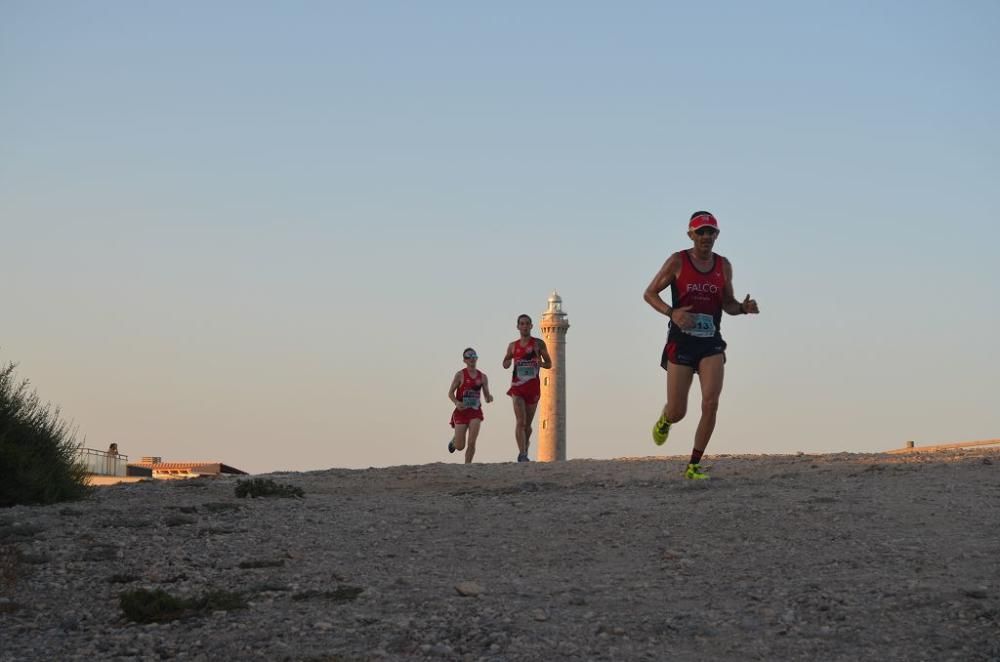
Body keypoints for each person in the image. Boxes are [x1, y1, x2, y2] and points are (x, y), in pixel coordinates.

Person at [643, 211, 759, 479]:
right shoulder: (678, 261)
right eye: (701, 232)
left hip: (711, 343)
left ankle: (693, 465)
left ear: (717, 235)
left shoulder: (723, 266)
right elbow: (649, 293)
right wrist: (672, 313)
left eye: (711, 232)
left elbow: (727, 304)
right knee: (678, 410)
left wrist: (743, 307)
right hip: (682, 341)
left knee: (711, 402)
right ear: (691, 235)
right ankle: (665, 420)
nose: (706, 237)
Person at [502, 314, 552, 462]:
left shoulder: (538, 344)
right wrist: (507, 363)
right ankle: (522, 453)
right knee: (520, 421)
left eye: (527, 324)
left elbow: (549, 364)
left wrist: (540, 363)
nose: (524, 326)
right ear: (518, 327)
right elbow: (505, 360)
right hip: (517, 388)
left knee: (528, 425)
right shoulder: (513, 345)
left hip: (533, 388)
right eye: (521, 324)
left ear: (531, 326)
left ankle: (525, 445)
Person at [446, 348, 493, 463]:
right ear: (465, 360)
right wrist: (457, 402)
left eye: (473, 356)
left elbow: (486, 394)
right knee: (460, 446)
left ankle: (467, 466)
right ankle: (454, 440)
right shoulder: (460, 375)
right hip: (461, 412)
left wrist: (488, 398)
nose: (471, 358)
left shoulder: (482, 377)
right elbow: (450, 393)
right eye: (468, 357)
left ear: (476, 358)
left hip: (475, 412)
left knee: (472, 442)